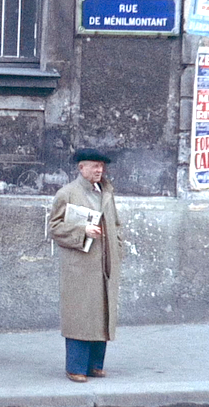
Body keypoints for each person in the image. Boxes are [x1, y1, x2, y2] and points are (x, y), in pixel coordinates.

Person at [49, 148, 123, 383]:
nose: (99, 170)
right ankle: (75, 367)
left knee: (101, 314)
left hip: (105, 263)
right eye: (94, 165)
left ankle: (95, 365)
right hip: (79, 266)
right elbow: (54, 228)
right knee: (80, 316)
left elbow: (117, 224)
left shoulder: (107, 192)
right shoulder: (67, 193)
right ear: (81, 168)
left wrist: (118, 246)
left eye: (101, 166)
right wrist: (82, 231)